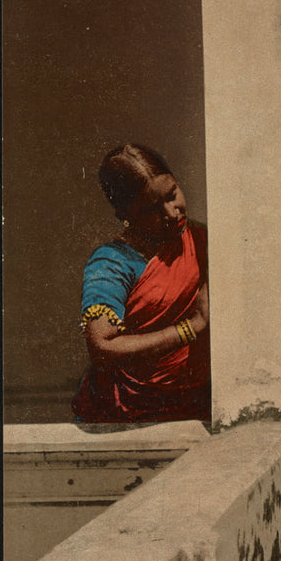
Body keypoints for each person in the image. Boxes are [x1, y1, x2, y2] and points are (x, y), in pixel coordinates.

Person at [73, 143, 210, 422]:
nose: (172, 213)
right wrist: (191, 327)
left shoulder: (199, 239)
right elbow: (102, 348)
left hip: (195, 407)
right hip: (125, 417)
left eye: (173, 194)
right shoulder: (112, 263)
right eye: (151, 209)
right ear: (124, 216)